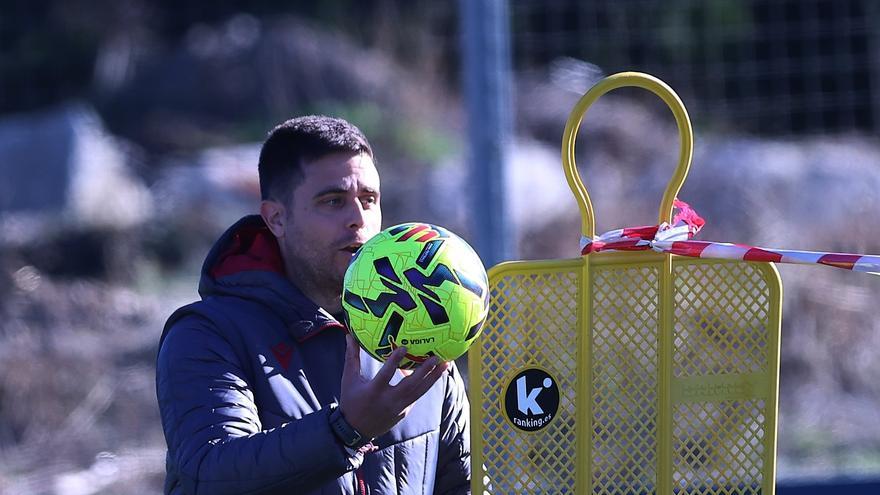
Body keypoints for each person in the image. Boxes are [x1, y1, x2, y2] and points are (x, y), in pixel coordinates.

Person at [156, 115, 471, 494]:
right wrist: (345, 431)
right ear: (276, 219)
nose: (359, 220)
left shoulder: (421, 338)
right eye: (333, 201)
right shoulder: (208, 333)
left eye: (369, 200)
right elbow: (209, 474)